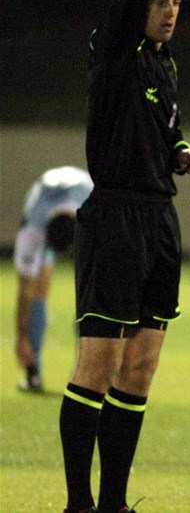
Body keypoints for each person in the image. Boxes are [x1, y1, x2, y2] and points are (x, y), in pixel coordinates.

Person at [59, 0, 190, 512]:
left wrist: (180, 153)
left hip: (158, 221)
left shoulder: (164, 66)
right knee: (96, 365)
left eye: (175, 1)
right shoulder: (117, 49)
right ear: (134, 6)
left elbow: (163, 133)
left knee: (141, 370)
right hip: (114, 219)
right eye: (158, 0)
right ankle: (78, 503)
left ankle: (115, 503)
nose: (169, 9)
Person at [13, 166, 93, 393]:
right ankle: (33, 371)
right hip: (48, 198)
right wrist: (21, 338)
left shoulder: (95, 209)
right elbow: (25, 288)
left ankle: (87, 373)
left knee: (90, 297)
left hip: (86, 211)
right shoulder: (34, 226)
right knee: (39, 286)